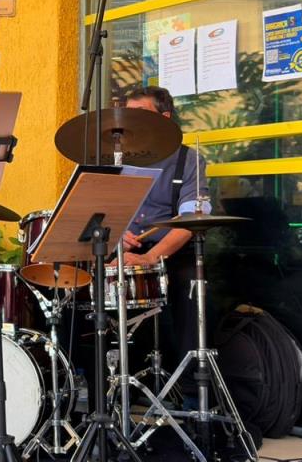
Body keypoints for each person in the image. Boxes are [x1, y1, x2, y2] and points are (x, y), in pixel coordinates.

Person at [119, 85, 208, 382]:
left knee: (189, 285)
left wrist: (150, 258)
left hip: (167, 249)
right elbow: (99, 213)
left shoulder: (188, 160)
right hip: (120, 248)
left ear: (165, 117)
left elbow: (189, 220)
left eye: (141, 114)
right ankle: (96, 383)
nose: (133, 121)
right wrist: (116, 237)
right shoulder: (117, 159)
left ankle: (191, 388)